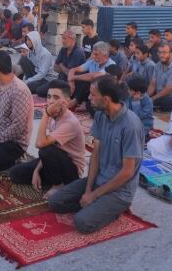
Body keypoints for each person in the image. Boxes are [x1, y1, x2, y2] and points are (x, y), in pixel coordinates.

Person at [48, 76, 143, 234]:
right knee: (55, 202)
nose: (88, 98)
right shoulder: (100, 115)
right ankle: (98, 206)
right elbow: (96, 154)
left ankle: (113, 210)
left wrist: (94, 195)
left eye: (92, 94)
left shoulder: (131, 125)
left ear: (105, 99)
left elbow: (127, 172)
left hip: (120, 191)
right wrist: (88, 189)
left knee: (82, 223)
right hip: (100, 180)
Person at [9, 80, 86, 198]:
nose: (51, 101)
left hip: (71, 171)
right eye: (49, 97)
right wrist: (36, 171)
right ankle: (52, 178)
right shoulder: (53, 116)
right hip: (55, 161)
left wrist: (46, 114)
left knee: (45, 150)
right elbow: (49, 147)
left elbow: (40, 144)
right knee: (15, 174)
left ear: (67, 101)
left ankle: (58, 186)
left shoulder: (70, 122)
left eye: (56, 97)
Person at [67, 42, 115, 110]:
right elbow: (73, 70)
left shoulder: (111, 65)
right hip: (91, 91)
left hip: (102, 93)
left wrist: (73, 77)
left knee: (87, 81)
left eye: (96, 54)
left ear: (105, 55)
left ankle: (78, 102)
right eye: (93, 53)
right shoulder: (93, 61)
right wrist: (71, 82)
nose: (93, 56)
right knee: (79, 77)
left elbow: (93, 77)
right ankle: (73, 99)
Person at [148, 43, 172, 112]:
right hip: (160, 95)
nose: (161, 55)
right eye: (159, 52)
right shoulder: (158, 65)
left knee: (163, 102)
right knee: (143, 95)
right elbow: (153, 83)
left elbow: (169, 89)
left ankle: (156, 107)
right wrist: (146, 97)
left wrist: (152, 99)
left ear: (171, 54)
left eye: (164, 53)